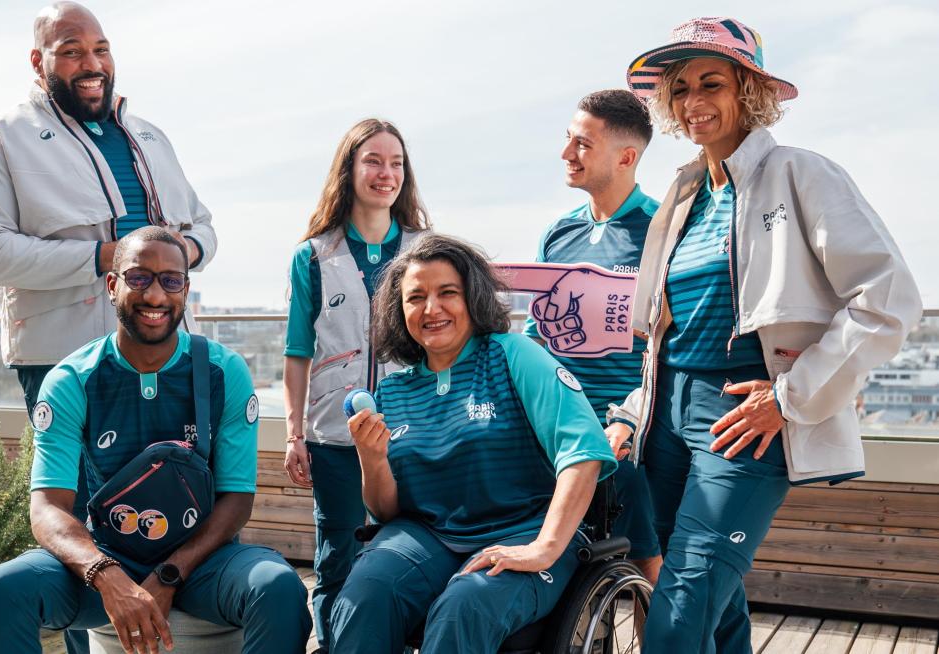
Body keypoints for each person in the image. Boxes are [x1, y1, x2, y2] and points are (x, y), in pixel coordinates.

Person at [609, 17, 922, 653]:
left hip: (744, 415)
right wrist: (633, 412)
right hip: (666, 417)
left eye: (712, 83)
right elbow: (665, 332)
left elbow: (889, 300)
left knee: (684, 600)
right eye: (681, 89)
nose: (694, 103)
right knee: (711, 605)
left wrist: (787, 397)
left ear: (749, 89)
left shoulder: (800, 173)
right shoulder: (683, 194)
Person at [0, 227, 311, 654]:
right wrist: (106, 574)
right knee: (2, 589)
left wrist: (170, 573)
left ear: (185, 290)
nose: (155, 295)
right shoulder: (72, 380)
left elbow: (236, 500)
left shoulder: (223, 371)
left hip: (204, 561)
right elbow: (47, 509)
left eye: (171, 280)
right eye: (139, 278)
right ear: (113, 286)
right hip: (111, 554)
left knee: (278, 586)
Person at [328, 235, 618, 653]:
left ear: (473, 297)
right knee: (363, 598)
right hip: (428, 535)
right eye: (416, 298)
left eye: (448, 293)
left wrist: (543, 548)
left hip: (525, 526)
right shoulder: (391, 392)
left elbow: (583, 454)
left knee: (464, 607)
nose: (432, 309)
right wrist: (371, 458)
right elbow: (387, 511)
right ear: (399, 310)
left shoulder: (512, 355)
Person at [0, 1, 215, 418]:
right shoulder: (1, 138)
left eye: (102, 49)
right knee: (74, 485)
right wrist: (107, 257)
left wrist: (185, 251)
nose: (92, 64)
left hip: (172, 354)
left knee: (179, 480)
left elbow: (202, 225)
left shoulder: (150, 136)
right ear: (39, 62)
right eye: (72, 52)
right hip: (68, 364)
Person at [281, 118, 430, 652]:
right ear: (349, 169)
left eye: (395, 163)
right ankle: (335, 642)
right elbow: (297, 354)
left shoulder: (423, 250)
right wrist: (295, 435)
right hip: (334, 437)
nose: (385, 173)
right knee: (337, 552)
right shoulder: (314, 256)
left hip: (411, 431)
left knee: (406, 548)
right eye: (373, 161)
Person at [525, 89, 663, 584]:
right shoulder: (557, 235)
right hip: (560, 426)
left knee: (651, 570)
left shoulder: (663, 230)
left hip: (636, 434)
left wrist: (629, 419)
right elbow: (534, 338)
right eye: (568, 140)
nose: (567, 155)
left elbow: (674, 346)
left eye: (582, 144)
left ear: (626, 157)